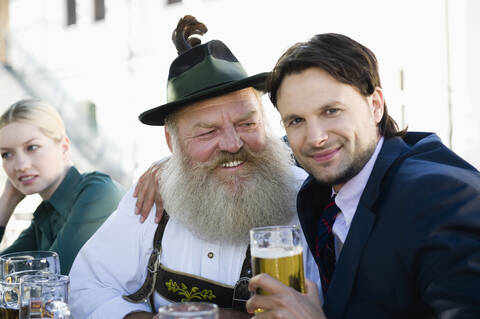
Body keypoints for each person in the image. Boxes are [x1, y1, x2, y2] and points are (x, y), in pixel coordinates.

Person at [69, 16, 320, 319]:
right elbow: (87, 286)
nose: (232, 143)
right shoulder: (151, 199)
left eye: (247, 123)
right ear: (172, 144)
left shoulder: (309, 200)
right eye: (207, 132)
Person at [245, 33, 480, 318]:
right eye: (296, 121)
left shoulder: (439, 196)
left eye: (331, 111)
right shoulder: (320, 194)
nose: (315, 138)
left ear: (375, 105)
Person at [0, 99, 124, 275]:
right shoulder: (46, 213)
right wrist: (7, 200)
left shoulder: (98, 193)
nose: (20, 165)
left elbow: (51, 279)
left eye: (32, 147)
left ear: (64, 147)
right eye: (7, 154)